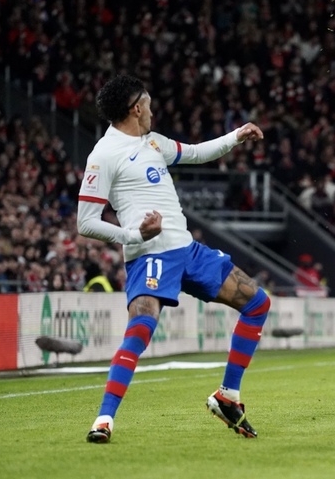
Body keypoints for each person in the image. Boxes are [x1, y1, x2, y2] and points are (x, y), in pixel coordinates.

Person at [78, 75, 269, 443]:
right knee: (141, 328)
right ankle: (103, 419)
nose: (152, 110)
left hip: (188, 250)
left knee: (258, 302)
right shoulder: (103, 155)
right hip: (150, 255)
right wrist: (135, 235)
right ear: (136, 108)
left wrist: (236, 136)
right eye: (148, 104)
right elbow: (85, 223)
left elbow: (197, 152)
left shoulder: (153, 142)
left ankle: (228, 396)